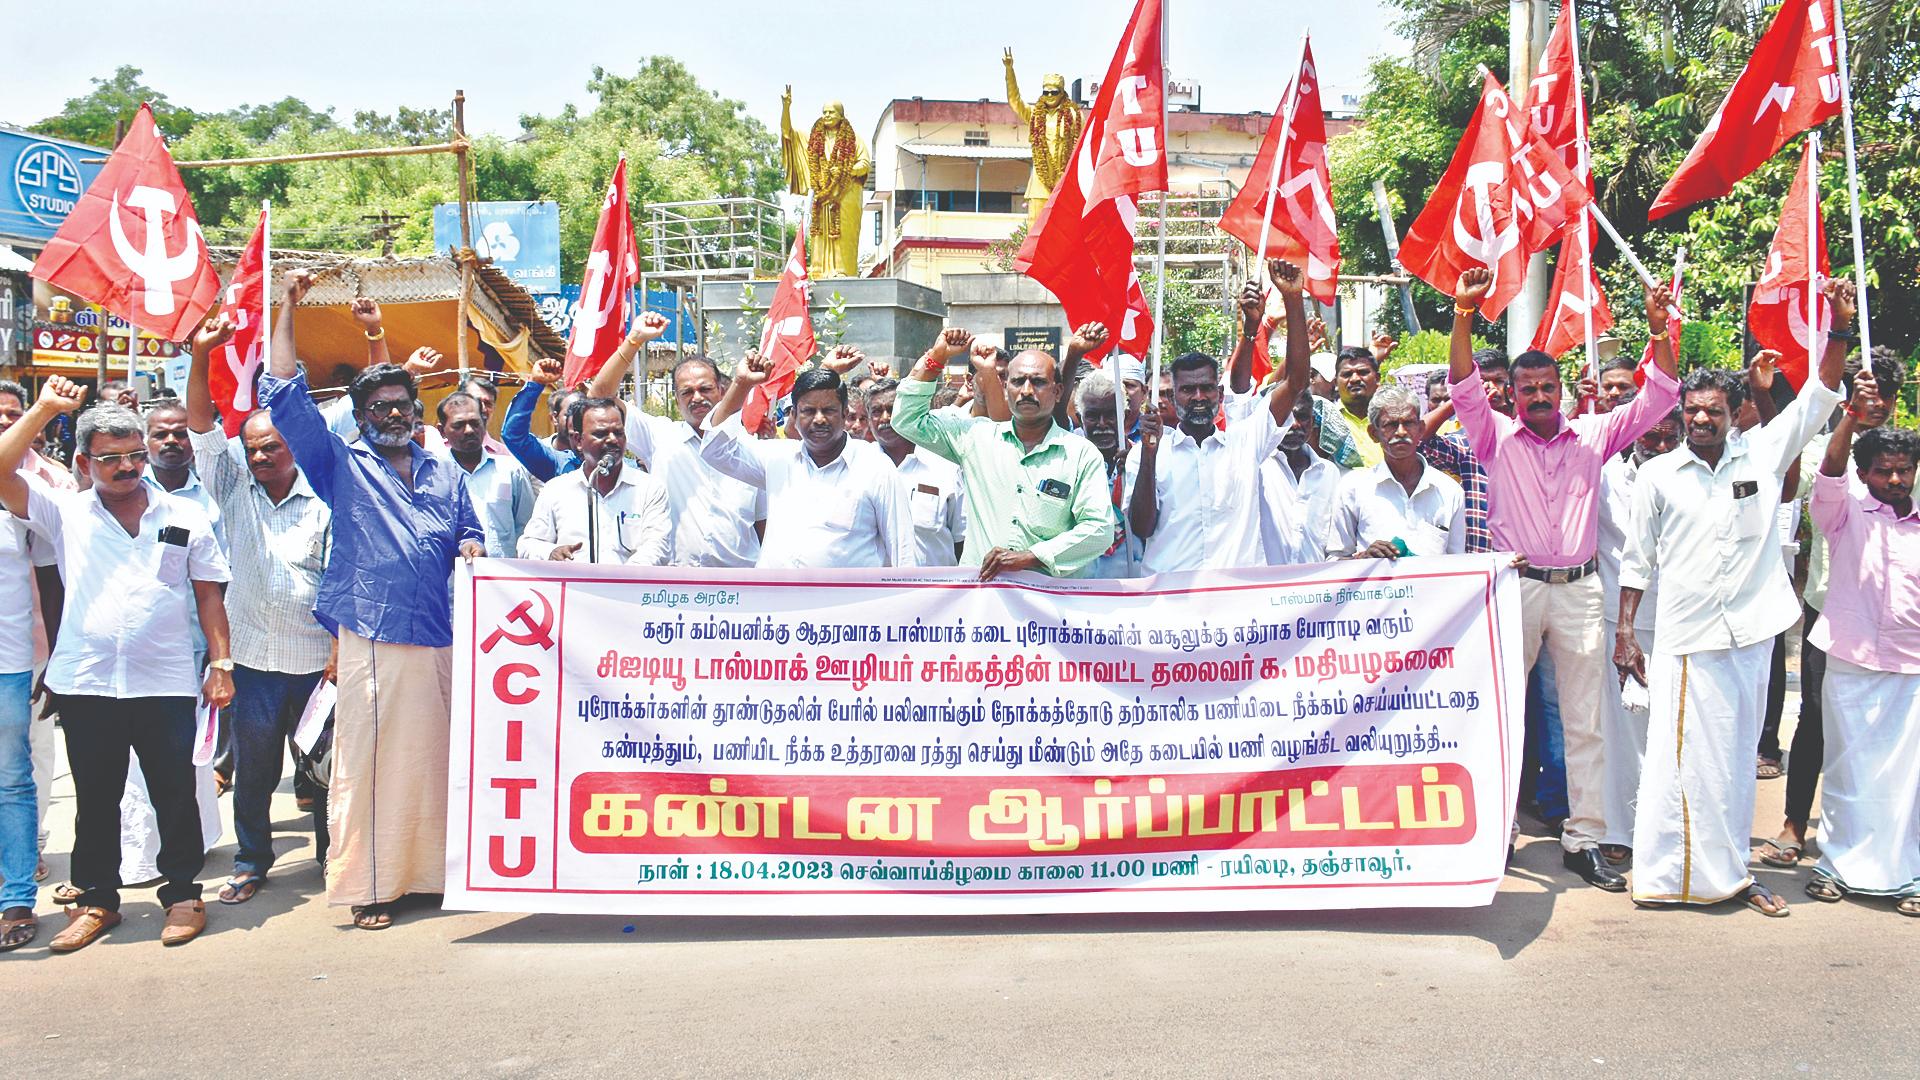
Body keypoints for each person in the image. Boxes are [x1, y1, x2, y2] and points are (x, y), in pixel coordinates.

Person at [1615, 280, 1853, 918]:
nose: (1700, 420)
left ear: (1733, 411)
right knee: (1680, 763)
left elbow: (1818, 398)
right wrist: (1626, 631)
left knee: (1736, 764)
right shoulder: (1657, 475)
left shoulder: (1762, 454)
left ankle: (1731, 874)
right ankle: (1670, 877)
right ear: (1681, 414)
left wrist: (1840, 326)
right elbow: (1636, 561)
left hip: (1753, 633)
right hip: (1688, 640)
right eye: (1692, 411)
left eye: (1713, 411)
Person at [258, 269, 484, 931]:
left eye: (402, 406)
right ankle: (373, 884)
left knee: (434, 760)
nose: (393, 415)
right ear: (360, 418)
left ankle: (437, 877)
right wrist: (287, 309)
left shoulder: (444, 467)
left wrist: (470, 547)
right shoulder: (342, 464)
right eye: (380, 408)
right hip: (372, 632)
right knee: (374, 764)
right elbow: (282, 395)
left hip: (438, 633)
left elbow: (466, 527)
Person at [1449, 267, 1682, 892]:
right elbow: (1462, 386)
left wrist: (1660, 331)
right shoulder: (1494, 436)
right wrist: (1465, 314)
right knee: (1503, 716)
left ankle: (1584, 838)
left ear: (1561, 388)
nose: (1540, 397)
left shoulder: (1593, 436)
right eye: (1528, 390)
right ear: (1516, 396)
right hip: (1517, 589)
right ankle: (1496, 835)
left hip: (1580, 590)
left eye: (1548, 386)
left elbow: (1660, 398)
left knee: (1585, 719)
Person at [0, 379, 234, 952]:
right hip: (87, 682)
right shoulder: (65, 513)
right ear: (84, 462)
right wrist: (46, 408)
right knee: (95, 798)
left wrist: (221, 662)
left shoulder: (183, 514)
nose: (126, 468)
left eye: (135, 455)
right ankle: (99, 901)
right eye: (110, 459)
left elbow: (209, 593)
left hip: (166, 678)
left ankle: (182, 895)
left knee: (174, 793)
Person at [184, 312, 335, 906]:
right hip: (251, 660)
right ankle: (251, 861)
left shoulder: (324, 497)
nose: (261, 457)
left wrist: (336, 650)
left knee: (323, 770)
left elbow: (338, 581)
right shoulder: (229, 485)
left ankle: (332, 857)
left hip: (314, 660)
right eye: (252, 449)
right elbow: (200, 428)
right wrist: (202, 354)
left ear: (290, 446)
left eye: (271, 446)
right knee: (253, 773)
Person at [1762, 348, 1909, 868]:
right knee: (1816, 721)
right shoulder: (1828, 447)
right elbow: (1785, 487)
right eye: (1866, 394)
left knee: (1895, 732)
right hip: (1832, 612)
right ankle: (1795, 823)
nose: (1878, 405)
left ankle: (1887, 839)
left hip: (1899, 628)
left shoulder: (1906, 462)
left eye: (1885, 395)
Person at [1800, 380, 1918, 915]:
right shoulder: (1841, 511)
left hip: (1913, 663)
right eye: (1883, 471)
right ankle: (1838, 865)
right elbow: (1828, 470)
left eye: (1903, 469)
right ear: (1865, 475)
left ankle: (1907, 873)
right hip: (1851, 658)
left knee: (1907, 777)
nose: (1894, 479)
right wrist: (1849, 417)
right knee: (1848, 769)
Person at [1128, 261, 1312, 573]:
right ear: (1173, 396)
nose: (1198, 397)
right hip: (1171, 599)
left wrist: (1293, 300)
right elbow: (1142, 528)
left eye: (1206, 388)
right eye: (1188, 390)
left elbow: (1296, 381)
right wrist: (1148, 453)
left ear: (1219, 393)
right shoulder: (1147, 451)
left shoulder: (1245, 441)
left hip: (1235, 603)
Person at [892, 331, 1112, 580]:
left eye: (1038, 382)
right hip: (982, 600)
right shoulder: (975, 437)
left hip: (1050, 605)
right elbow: (906, 421)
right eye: (1018, 382)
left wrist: (1031, 556)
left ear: (1058, 391)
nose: (1027, 391)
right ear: (1005, 388)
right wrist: (937, 357)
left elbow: (1099, 530)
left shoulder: (1080, 454)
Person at [587, 315, 767, 568]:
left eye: (705, 389)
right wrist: (634, 340)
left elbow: (762, 525)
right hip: (674, 588)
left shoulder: (750, 449)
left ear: (722, 391)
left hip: (739, 587)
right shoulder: (659, 436)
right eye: (687, 392)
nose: (696, 398)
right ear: (676, 399)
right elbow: (599, 397)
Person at [701, 364, 916, 569]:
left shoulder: (874, 466)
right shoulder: (777, 459)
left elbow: (902, 550)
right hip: (776, 602)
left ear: (844, 414)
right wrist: (741, 383)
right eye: (809, 411)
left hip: (848, 605)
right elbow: (716, 450)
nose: (819, 419)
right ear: (794, 415)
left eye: (829, 410)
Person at [1594, 408, 1681, 864]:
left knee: (1676, 729)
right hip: (1621, 620)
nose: (1662, 448)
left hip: (1686, 619)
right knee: (1623, 730)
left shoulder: (1692, 473)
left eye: (1671, 438)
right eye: (1653, 439)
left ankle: (1671, 828)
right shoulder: (1604, 474)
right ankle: (1620, 829)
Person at [519, 397, 671, 565]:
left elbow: (658, 546)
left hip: (631, 588)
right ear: (578, 440)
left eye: (619, 432)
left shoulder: (649, 488)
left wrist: (618, 580)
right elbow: (528, 544)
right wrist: (551, 552)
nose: (613, 439)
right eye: (601, 434)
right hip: (573, 589)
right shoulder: (556, 490)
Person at [1328, 385, 1467, 558]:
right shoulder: (1353, 488)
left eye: (1408, 423)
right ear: (1373, 433)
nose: (1401, 432)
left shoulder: (1449, 491)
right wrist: (1363, 559)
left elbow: (1459, 564)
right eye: (1391, 425)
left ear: (1421, 429)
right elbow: (1335, 560)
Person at [866, 378, 965, 567]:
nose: (885, 418)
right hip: (876, 592)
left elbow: (961, 540)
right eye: (876, 411)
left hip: (935, 591)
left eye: (892, 409)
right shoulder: (860, 466)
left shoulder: (945, 467)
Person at [439, 392, 535, 559]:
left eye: (475, 423)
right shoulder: (434, 475)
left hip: (502, 578)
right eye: (458, 425)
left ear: (484, 422)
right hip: (451, 580)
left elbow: (527, 529)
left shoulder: (510, 470)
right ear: (442, 431)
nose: (469, 430)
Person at [1072, 371, 1144, 577]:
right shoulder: (1068, 464)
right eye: (1093, 416)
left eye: (1111, 415)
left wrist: (1141, 466)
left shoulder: (1144, 460)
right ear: (1080, 419)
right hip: (1081, 587)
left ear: (1126, 415)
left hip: (1133, 587)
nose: (1102, 424)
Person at [1260, 390, 1345, 565]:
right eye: (1285, 417)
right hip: (1264, 585)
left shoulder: (1329, 473)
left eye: (1302, 417)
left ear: (1312, 422)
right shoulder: (1257, 468)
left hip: (1314, 586)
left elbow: (1334, 541)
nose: (1294, 425)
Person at [500, 360, 582, 482]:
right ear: (555, 418)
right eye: (570, 413)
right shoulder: (555, 462)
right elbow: (514, 435)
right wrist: (535, 384)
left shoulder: (606, 457)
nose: (576, 420)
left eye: (582, 414)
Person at [1333, 347, 1385, 466]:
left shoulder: (1391, 419)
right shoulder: (1325, 420)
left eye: (1363, 372)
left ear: (1377, 378)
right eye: (1347, 374)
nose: (1355, 379)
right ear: (1335, 382)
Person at [457, 373, 511, 457]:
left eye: (488, 403)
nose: (483, 408)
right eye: (476, 401)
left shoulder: (504, 455)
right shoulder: (439, 449)